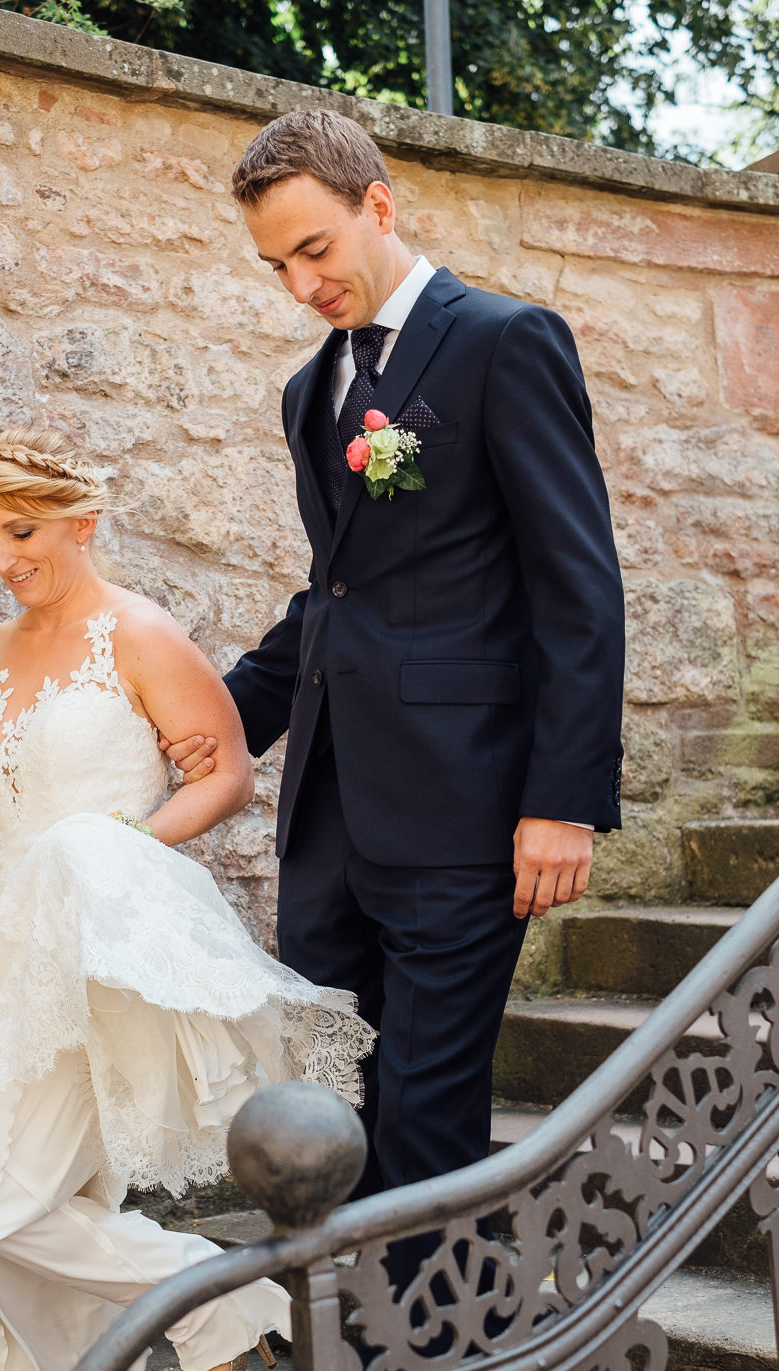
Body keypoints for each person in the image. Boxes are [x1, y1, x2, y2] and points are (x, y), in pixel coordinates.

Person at [0, 427, 373, 1371]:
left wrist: (123, 841)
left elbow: (224, 772)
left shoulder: (138, 632)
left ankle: (204, 1300)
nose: (5, 558)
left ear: (83, 521)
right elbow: (11, 801)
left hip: (96, 946)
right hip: (11, 943)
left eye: (23, 530)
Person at [166, 109, 625, 1205]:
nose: (298, 286)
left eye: (313, 251)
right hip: (327, 815)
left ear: (378, 204)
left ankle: (414, 1366)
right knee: (326, 1103)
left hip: (462, 813)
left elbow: (577, 586)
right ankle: (347, 1350)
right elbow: (335, 597)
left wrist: (563, 798)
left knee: (426, 1113)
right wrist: (195, 723)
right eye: (275, 264)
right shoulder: (307, 392)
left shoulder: (505, 341)